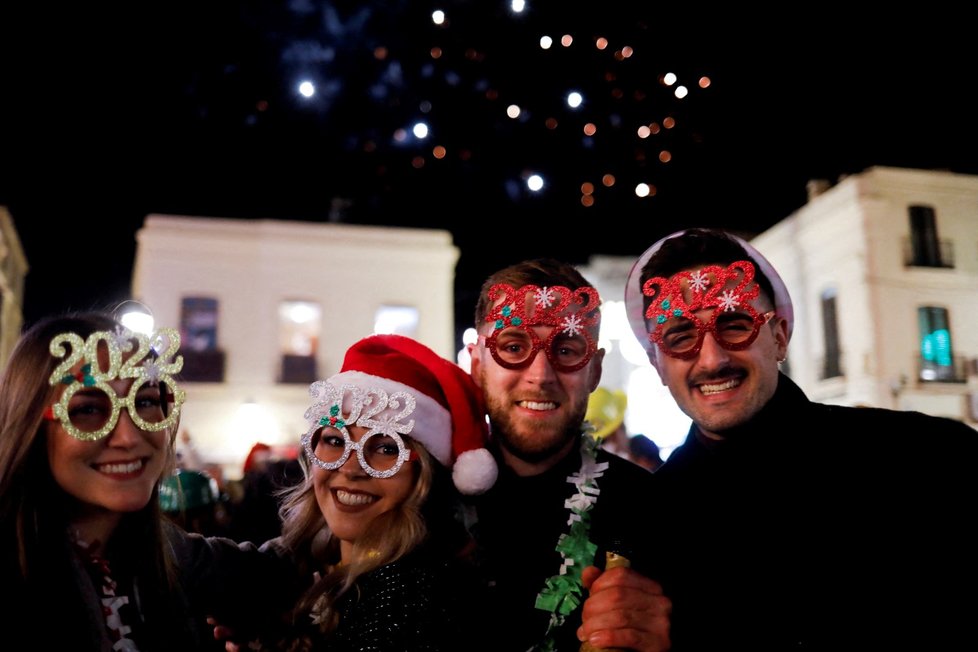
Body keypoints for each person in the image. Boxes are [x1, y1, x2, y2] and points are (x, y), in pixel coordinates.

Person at [624, 227, 978, 649]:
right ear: (658, 364)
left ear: (780, 336)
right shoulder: (649, 517)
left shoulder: (928, 458)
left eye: (736, 325)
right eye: (680, 336)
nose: (713, 359)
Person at [226, 333, 497, 651]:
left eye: (384, 448)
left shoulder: (422, 601)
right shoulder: (298, 567)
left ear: (424, 473)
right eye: (335, 441)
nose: (352, 469)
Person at [465, 258, 672, 652]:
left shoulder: (651, 508)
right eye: (513, 347)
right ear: (477, 364)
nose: (540, 375)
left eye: (566, 348)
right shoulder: (423, 502)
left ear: (594, 370)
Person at [0, 312, 211, 650]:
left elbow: (280, 568)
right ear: (30, 426)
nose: (128, 437)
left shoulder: (171, 553)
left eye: (144, 402)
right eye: (87, 409)